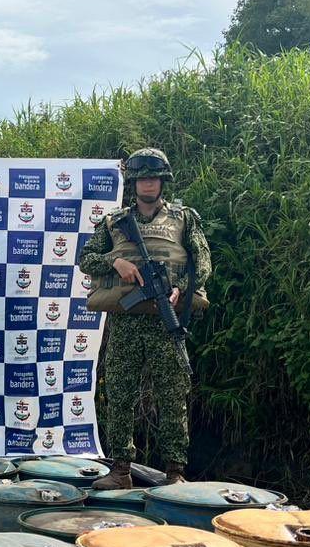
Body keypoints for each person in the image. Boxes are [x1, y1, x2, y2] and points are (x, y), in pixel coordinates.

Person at [78, 147, 212, 489]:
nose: (148, 184)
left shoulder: (184, 219)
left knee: (172, 395)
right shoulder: (115, 222)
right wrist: (115, 262)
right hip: (126, 322)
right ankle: (120, 470)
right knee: (120, 393)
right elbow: (85, 258)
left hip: (165, 321)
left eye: (154, 178)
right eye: (143, 178)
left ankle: (174, 473)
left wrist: (180, 289)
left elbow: (203, 263)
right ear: (134, 182)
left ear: (162, 182)